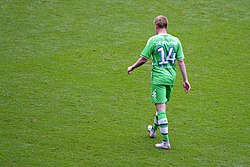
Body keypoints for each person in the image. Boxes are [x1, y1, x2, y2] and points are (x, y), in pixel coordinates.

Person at [127, 15, 191, 150]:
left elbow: (143, 59)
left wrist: (132, 67)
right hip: (171, 78)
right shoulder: (176, 40)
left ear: (156, 25)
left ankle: (166, 142)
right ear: (166, 26)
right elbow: (181, 61)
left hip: (159, 79)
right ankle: (153, 130)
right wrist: (185, 80)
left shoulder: (153, 40)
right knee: (161, 105)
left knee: (161, 109)